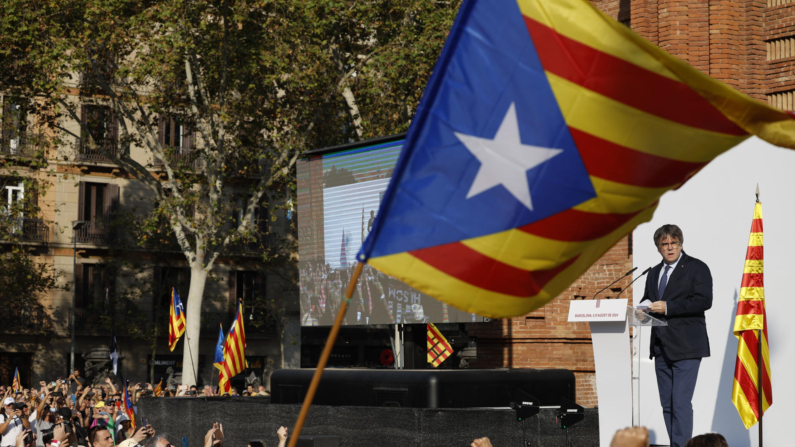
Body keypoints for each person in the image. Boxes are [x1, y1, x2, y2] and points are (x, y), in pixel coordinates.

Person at [641, 225, 712, 447]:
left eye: (674, 243)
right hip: (661, 347)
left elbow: (703, 301)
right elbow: (648, 298)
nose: (670, 248)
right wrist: (643, 307)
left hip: (686, 346)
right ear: (658, 247)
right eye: (665, 244)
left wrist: (669, 307)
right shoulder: (653, 272)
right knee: (668, 405)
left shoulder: (696, 267)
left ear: (681, 244)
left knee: (680, 402)